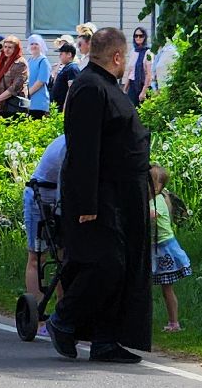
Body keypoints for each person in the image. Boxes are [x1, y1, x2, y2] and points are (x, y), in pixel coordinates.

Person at [50, 27, 152, 364]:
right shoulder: (91, 87)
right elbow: (83, 150)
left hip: (122, 193)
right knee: (107, 263)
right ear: (118, 56)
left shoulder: (105, 86)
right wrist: (87, 202)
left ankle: (107, 339)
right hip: (102, 195)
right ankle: (64, 320)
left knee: (122, 267)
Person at [21, 134, 68, 318]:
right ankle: (37, 314)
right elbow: (65, 184)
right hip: (39, 195)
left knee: (63, 257)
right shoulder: (67, 145)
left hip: (57, 196)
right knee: (37, 256)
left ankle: (62, 313)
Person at [149, 164, 190, 332]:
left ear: (158, 186)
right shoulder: (155, 199)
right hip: (155, 247)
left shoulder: (158, 201)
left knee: (167, 287)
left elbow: (151, 215)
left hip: (164, 249)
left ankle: (174, 322)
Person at [0, 37, 28, 120]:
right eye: (5, 47)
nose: (7, 50)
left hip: (14, 106)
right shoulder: (2, 61)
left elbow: (14, 87)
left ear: (16, 49)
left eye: (10, 47)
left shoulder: (21, 63)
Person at [48, 39, 82, 111]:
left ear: (69, 54)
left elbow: (72, 90)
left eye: (61, 54)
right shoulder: (66, 67)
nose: (59, 56)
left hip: (63, 108)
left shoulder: (72, 68)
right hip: (56, 108)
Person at [24, 35, 54, 117]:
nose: (34, 46)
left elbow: (41, 82)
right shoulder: (29, 60)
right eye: (32, 44)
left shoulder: (43, 61)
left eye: (36, 44)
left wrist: (27, 94)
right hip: (29, 102)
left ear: (41, 45)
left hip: (39, 102)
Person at [124, 27, 153, 102]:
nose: (138, 38)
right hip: (133, 86)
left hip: (144, 85)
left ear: (145, 37)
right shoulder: (133, 51)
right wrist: (124, 89)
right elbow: (130, 73)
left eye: (141, 36)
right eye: (136, 36)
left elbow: (149, 74)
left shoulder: (148, 52)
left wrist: (143, 92)